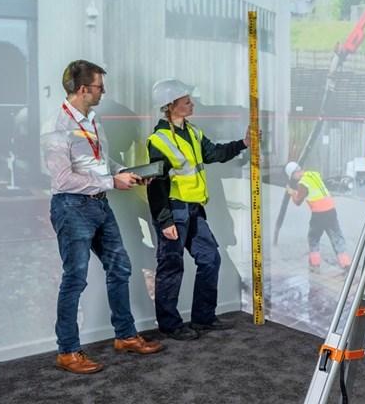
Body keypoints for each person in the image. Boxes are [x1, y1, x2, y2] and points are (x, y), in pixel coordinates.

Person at [41, 59, 163, 375]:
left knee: (120, 266)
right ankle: (67, 352)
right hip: (72, 207)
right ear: (83, 89)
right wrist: (113, 182)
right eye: (99, 86)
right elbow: (63, 180)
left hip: (99, 205)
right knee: (75, 278)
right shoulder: (57, 126)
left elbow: (100, 160)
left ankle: (124, 335)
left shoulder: (92, 119)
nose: (102, 91)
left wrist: (124, 173)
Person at [146, 78, 249, 341]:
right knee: (171, 266)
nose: (192, 103)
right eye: (187, 101)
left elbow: (214, 154)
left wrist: (243, 143)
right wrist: (164, 219)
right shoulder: (159, 140)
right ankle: (170, 324)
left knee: (210, 259)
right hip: (173, 212)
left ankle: (203, 317)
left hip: (194, 211)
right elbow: (156, 185)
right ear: (170, 106)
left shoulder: (192, 132)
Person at [285, 161, 352, 271]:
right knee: (337, 237)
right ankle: (346, 264)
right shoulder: (314, 174)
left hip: (319, 214)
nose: (294, 179)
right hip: (331, 210)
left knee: (313, 238)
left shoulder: (302, 184)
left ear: (294, 174)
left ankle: (315, 264)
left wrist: (292, 192)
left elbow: (297, 201)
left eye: (293, 176)